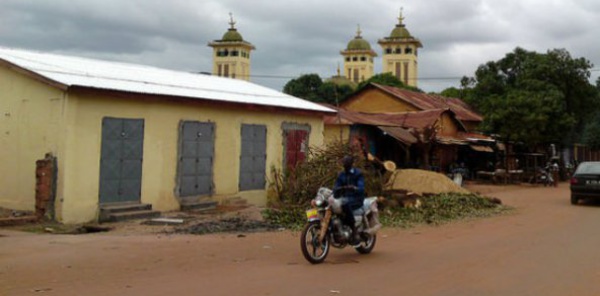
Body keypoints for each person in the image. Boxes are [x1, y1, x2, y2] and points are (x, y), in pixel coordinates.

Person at [334, 155, 365, 246]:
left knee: (345, 204)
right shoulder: (341, 175)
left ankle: (354, 230)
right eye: (344, 163)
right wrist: (335, 190)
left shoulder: (358, 173)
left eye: (346, 163)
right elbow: (336, 186)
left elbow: (361, 187)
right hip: (344, 198)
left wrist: (355, 188)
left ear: (351, 164)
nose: (345, 165)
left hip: (357, 198)